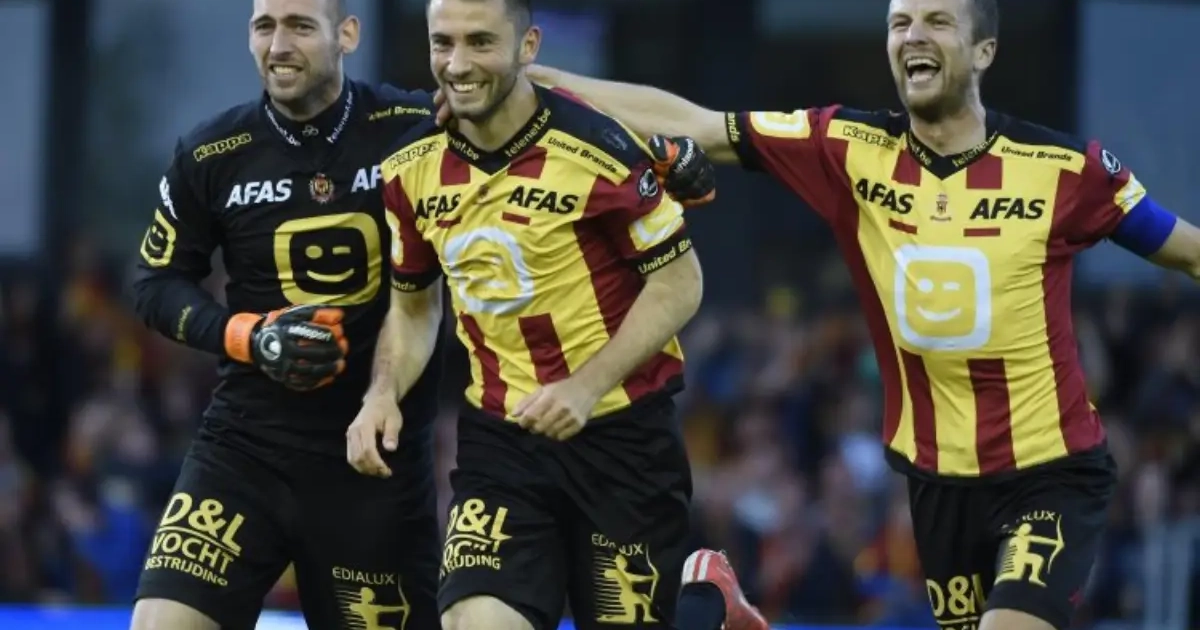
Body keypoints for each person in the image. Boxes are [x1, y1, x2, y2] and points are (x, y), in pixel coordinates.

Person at [516, 0, 1200, 629]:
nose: (913, 36)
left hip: (1051, 472)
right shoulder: (847, 147)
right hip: (936, 485)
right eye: (900, 23)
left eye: (938, 21)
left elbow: (1187, 252)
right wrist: (540, 81)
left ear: (984, 51)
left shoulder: (1066, 169)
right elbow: (698, 125)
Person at [346, 1, 764, 629]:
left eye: (480, 42)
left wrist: (585, 387)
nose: (457, 64)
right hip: (501, 442)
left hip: (622, 438)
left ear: (528, 46)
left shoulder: (600, 148)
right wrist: (382, 392)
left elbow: (680, 284)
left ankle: (707, 604)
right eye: (443, 43)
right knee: (472, 622)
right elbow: (413, 306)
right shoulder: (408, 167)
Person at [128, 0, 447, 628]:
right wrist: (249, 336)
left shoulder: (414, 127)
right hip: (245, 449)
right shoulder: (212, 152)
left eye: (300, 26)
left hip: (373, 459)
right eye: (264, 26)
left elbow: (521, 108)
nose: (278, 46)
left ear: (347, 34)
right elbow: (155, 283)